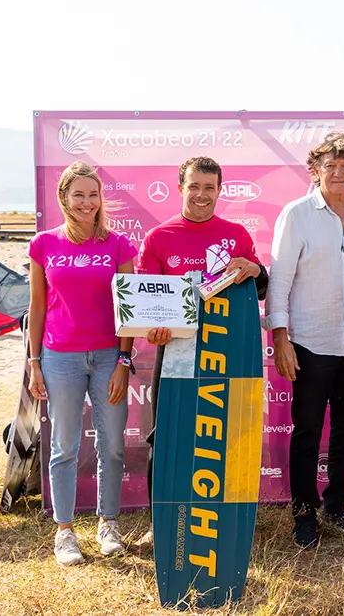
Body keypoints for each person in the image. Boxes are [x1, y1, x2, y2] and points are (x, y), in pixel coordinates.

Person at [132, 155, 269, 551]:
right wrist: (152, 330)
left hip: (228, 351)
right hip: (175, 351)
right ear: (180, 188)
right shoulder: (159, 237)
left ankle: (232, 521)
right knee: (166, 437)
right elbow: (145, 304)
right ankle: (160, 524)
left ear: (219, 190)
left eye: (210, 187)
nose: (202, 195)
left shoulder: (237, 234)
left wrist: (254, 269)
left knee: (228, 434)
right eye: (194, 186)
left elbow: (260, 289)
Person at [267, 131, 344, 550]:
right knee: (306, 432)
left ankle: (335, 505)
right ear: (315, 170)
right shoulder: (296, 214)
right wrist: (281, 339)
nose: (338, 173)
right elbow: (279, 282)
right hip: (309, 342)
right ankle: (303, 511)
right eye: (330, 166)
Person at [27, 160, 138, 566]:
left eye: (93, 195)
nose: (87, 202)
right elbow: (37, 307)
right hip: (60, 358)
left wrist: (124, 360)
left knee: (111, 446)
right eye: (79, 195)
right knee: (64, 446)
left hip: (109, 356)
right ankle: (65, 531)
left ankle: (108, 523)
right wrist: (35, 361)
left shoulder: (119, 245)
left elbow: (130, 308)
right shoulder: (43, 244)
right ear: (64, 198)